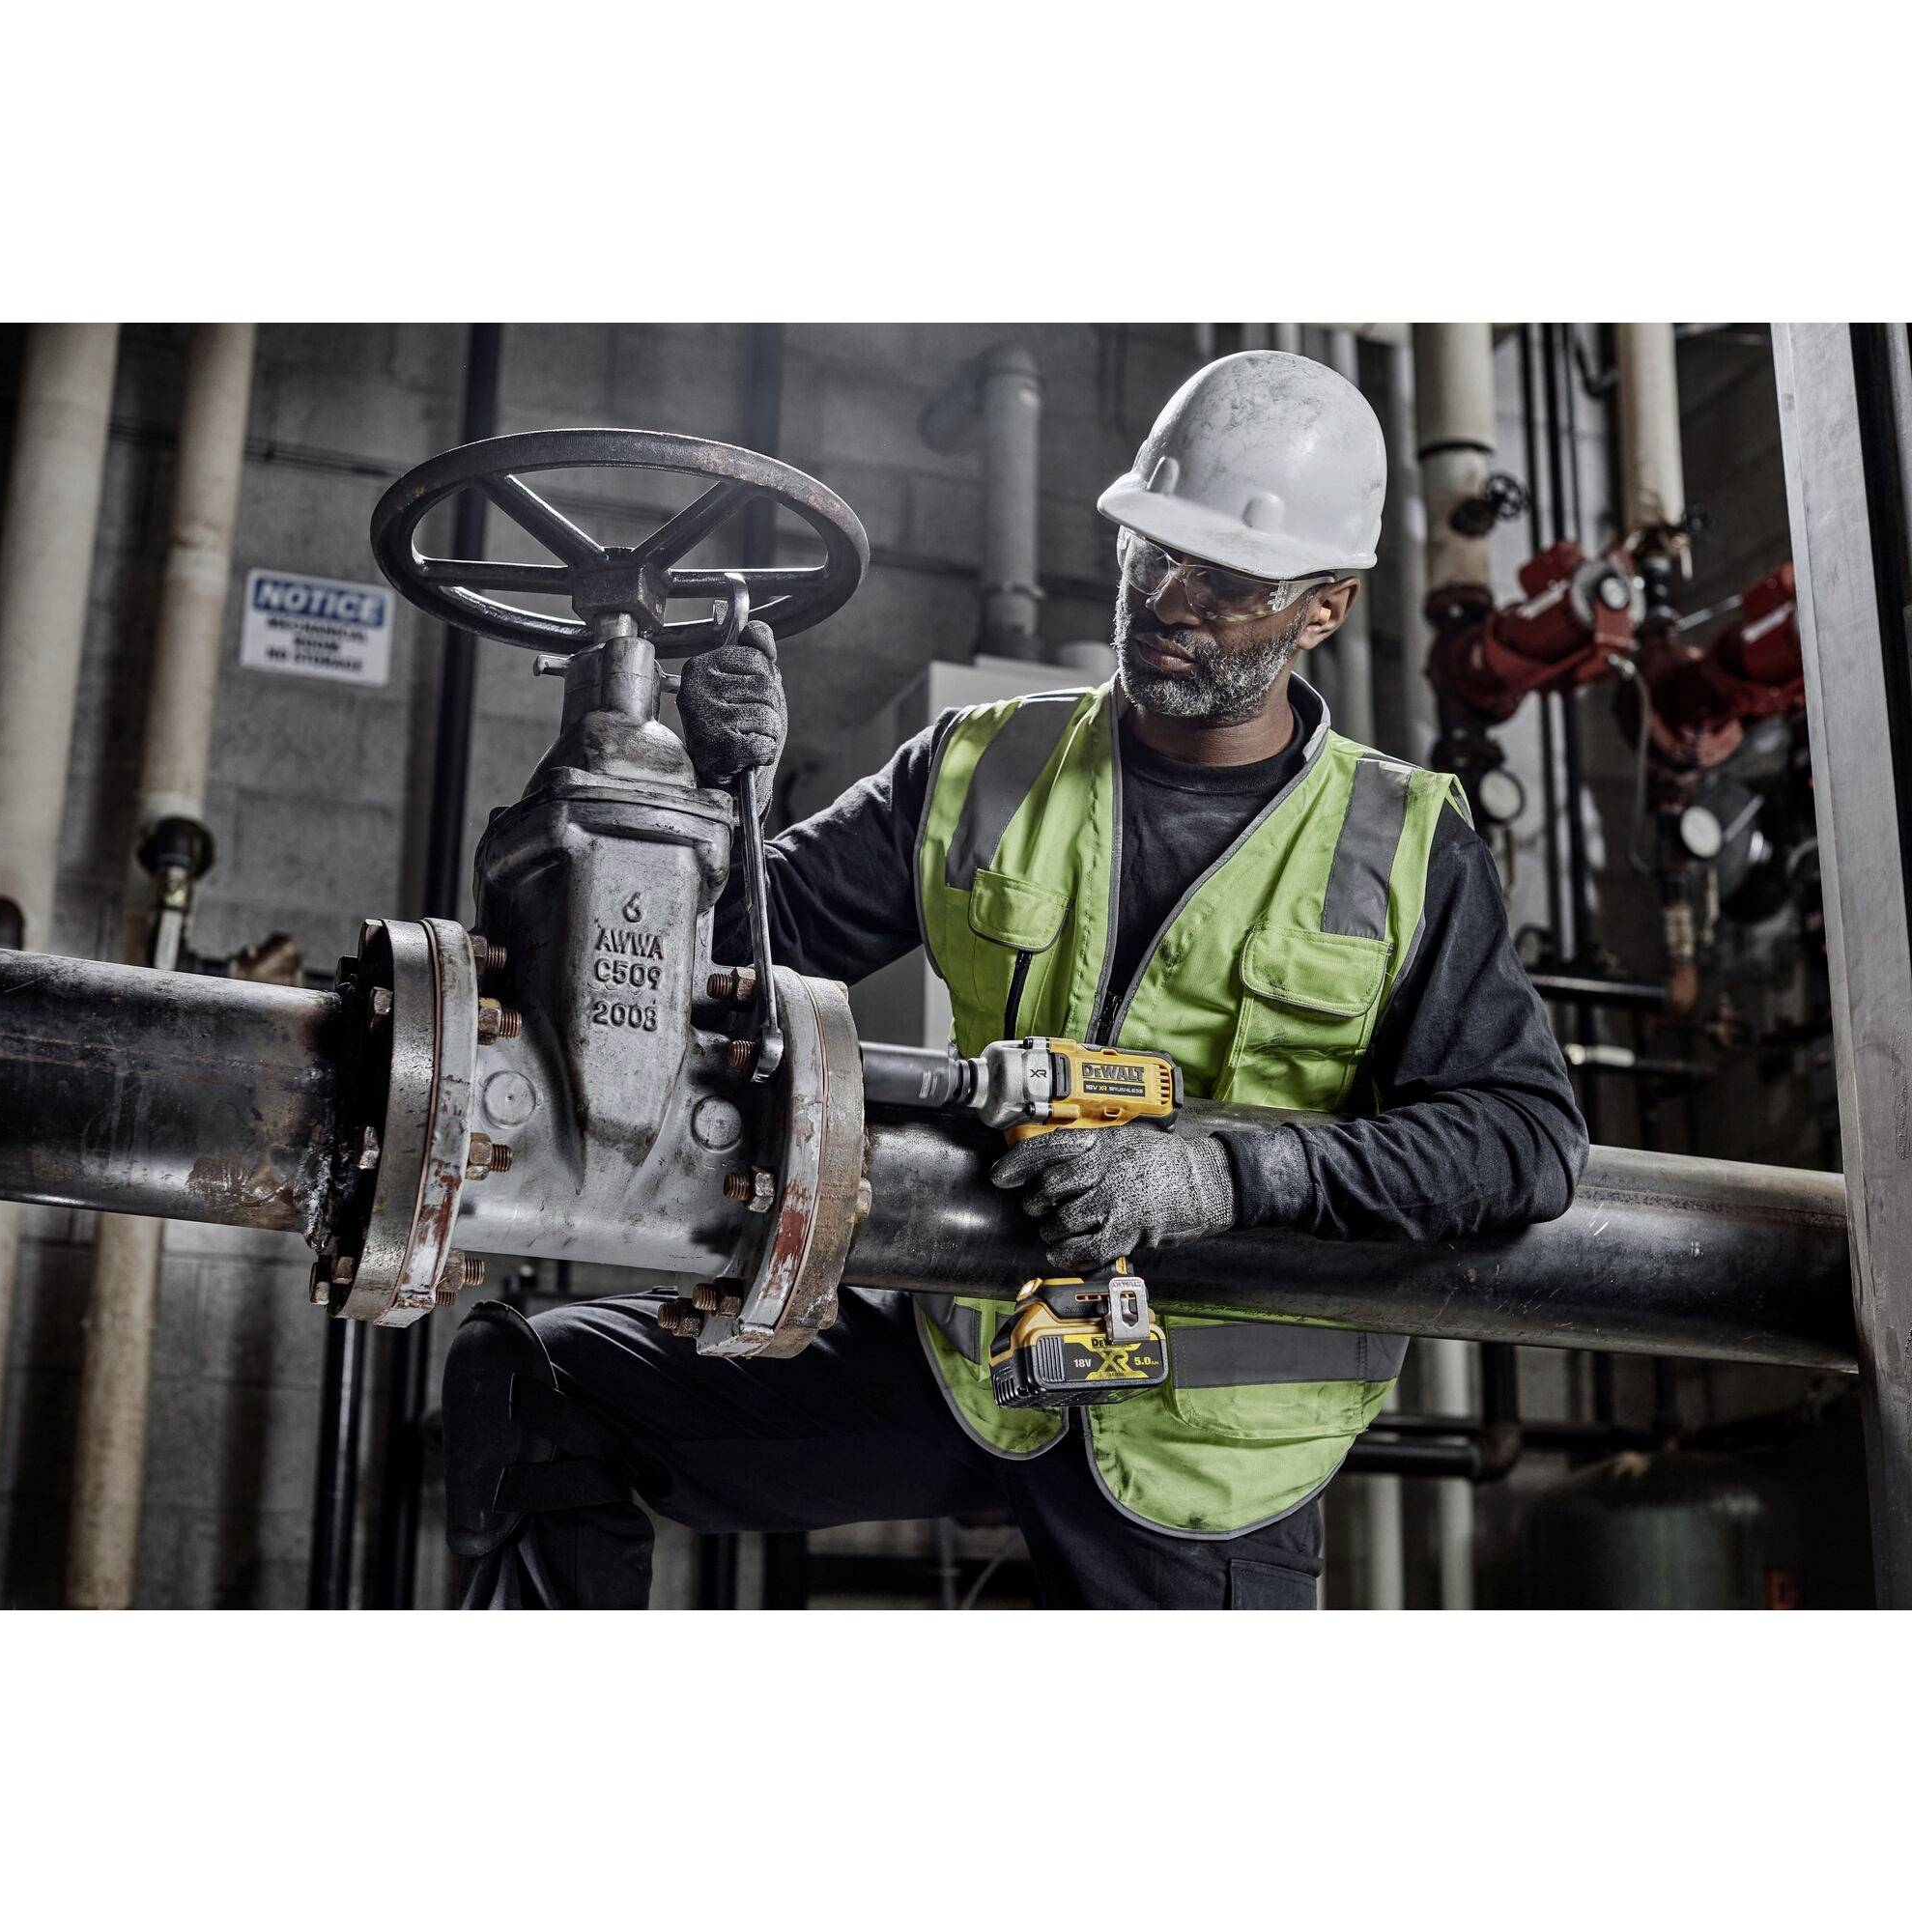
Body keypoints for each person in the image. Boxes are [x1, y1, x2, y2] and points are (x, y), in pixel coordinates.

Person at [443, 350, 1587, 1609]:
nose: (1166, 598)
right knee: (543, 1385)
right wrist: (701, 796)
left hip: (1209, 1443)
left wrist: (1225, 1174)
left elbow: (1521, 1139)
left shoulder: (1406, 845)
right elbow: (706, 974)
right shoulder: (986, 766)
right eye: (1150, 551)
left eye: (1225, 578)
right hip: (978, 1352)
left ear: (1327, 606)